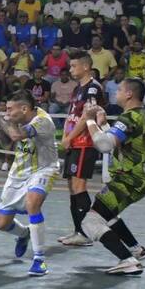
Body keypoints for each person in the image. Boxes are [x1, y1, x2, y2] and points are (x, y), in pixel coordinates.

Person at [0, 92, 59, 276]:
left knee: (32, 203)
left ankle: (39, 259)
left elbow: (16, 136)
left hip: (44, 168)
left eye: (11, 109)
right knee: (2, 224)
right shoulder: (18, 118)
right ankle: (24, 234)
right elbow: (6, 144)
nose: (8, 111)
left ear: (25, 109)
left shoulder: (42, 121)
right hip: (19, 172)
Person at [79, 79, 145, 275]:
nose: (116, 92)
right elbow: (120, 141)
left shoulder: (128, 118)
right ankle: (137, 250)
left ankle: (127, 260)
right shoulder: (142, 115)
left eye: (119, 89)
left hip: (128, 180)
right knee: (107, 214)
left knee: (90, 222)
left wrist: (89, 120)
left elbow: (104, 145)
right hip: (138, 180)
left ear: (129, 94)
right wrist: (104, 124)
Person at [59, 50, 104, 246]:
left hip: (85, 143)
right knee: (72, 188)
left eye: (73, 65)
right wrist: (65, 136)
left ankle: (87, 233)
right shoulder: (78, 88)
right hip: (73, 143)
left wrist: (70, 137)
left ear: (86, 67)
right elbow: (72, 115)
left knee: (79, 187)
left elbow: (88, 117)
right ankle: (78, 231)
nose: (70, 69)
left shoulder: (93, 88)